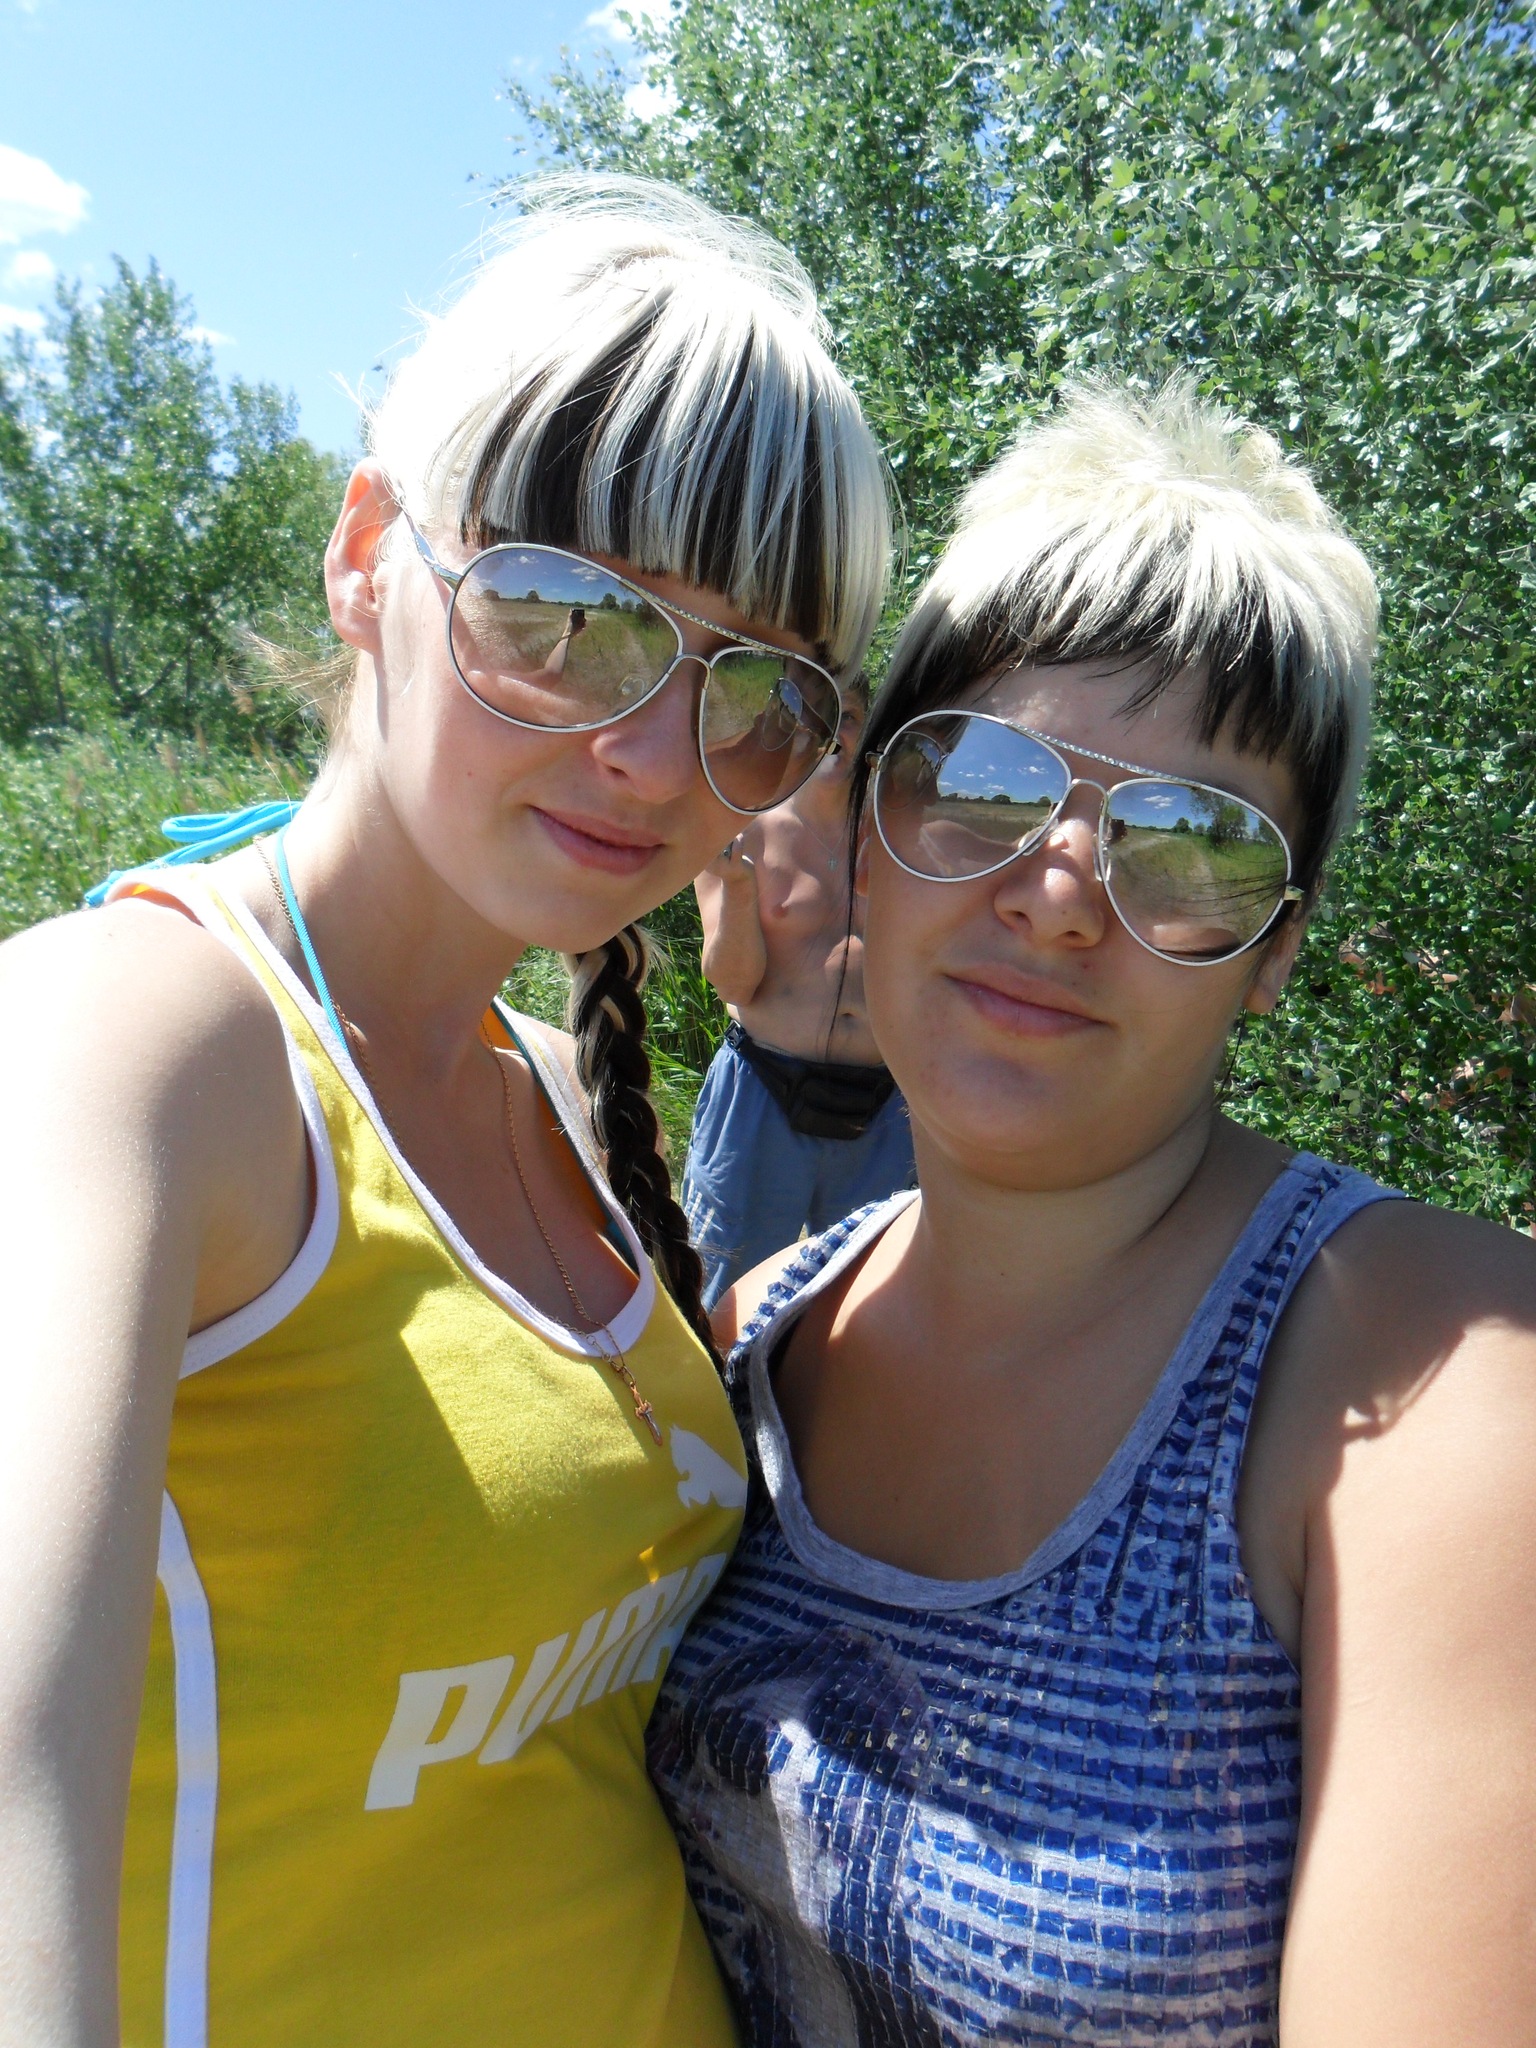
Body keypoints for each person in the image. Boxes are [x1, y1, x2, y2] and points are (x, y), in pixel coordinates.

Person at [0, 177, 890, 2047]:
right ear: (364, 561)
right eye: (565, 616)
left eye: (753, 690)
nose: (649, 754)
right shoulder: (135, 1042)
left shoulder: (563, 1094)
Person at [649, 381, 1536, 2045]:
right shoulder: (757, 1338)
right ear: (865, 828)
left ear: (1277, 951)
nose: (1058, 893)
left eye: (1192, 844)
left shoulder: (1443, 1385)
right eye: (983, 781)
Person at [684, 676, 915, 1306]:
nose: (830, 732)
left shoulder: (908, 834)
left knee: (872, 1292)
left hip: (887, 1102)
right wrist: (738, 888)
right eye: (810, 716)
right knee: (722, 1287)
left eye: (848, 715)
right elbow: (733, 982)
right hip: (763, 1089)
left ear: (872, 727)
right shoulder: (741, 829)